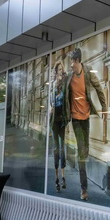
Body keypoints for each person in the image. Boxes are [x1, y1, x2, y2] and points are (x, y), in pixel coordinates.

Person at [64, 48, 107, 201]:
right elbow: (61, 93)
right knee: (82, 150)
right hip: (75, 118)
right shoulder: (69, 77)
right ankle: (84, 188)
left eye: (71, 62)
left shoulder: (88, 72)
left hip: (86, 117)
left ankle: (82, 160)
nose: (70, 65)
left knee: (85, 150)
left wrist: (104, 108)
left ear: (77, 61)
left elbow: (99, 89)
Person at [49, 61, 68, 193]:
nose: (60, 71)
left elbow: (67, 100)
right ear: (55, 72)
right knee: (56, 148)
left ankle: (63, 177)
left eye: (61, 69)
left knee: (62, 148)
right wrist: (50, 108)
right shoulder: (52, 85)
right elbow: (50, 102)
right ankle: (56, 178)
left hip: (62, 120)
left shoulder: (65, 84)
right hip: (54, 120)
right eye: (59, 69)